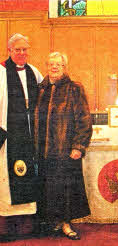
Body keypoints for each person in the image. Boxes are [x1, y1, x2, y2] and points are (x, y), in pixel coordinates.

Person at [34, 52, 92, 240]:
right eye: (51, 64)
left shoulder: (74, 88)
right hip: (43, 151)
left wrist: (78, 146)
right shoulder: (40, 89)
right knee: (48, 188)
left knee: (66, 189)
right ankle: (54, 222)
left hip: (66, 151)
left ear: (64, 67)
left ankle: (66, 223)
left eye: (58, 64)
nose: (54, 67)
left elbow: (84, 120)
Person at [0, 33, 43, 240]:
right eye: (17, 50)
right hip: (9, 135)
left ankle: (27, 225)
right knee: (7, 179)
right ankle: (6, 226)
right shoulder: (0, 72)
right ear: (9, 51)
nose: (22, 53)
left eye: (25, 49)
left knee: (29, 176)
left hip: (29, 134)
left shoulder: (34, 72)